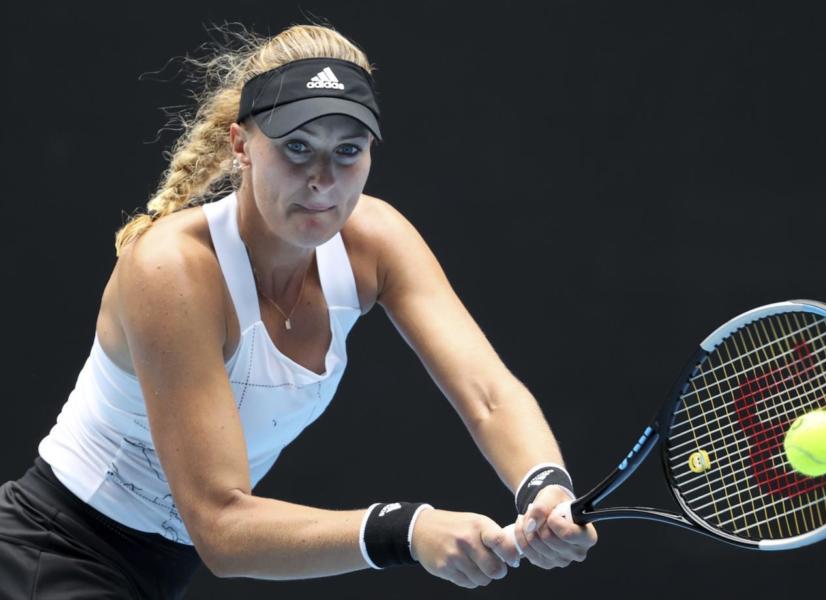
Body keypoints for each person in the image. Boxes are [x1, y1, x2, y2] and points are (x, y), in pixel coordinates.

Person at [0, 23, 596, 598]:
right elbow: (222, 528)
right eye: (297, 147)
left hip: (153, 572)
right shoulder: (172, 269)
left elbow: (489, 395)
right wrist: (407, 530)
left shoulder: (375, 241)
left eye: (348, 151)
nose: (322, 180)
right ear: (242, 146)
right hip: (49, 556)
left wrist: (544, 485)